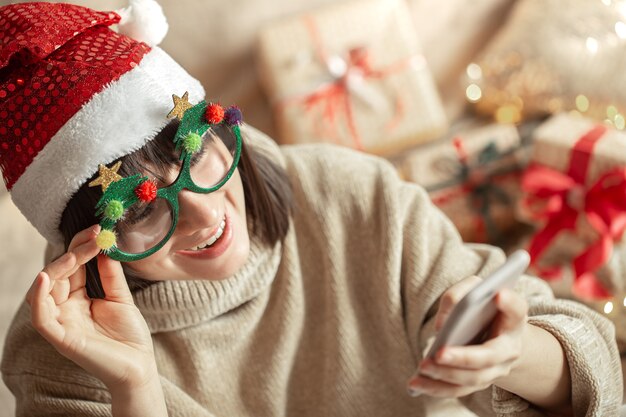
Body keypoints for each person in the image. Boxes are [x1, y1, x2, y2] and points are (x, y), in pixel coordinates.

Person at [0, 1, 622, 416]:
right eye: (138, 211)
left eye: (196, 150)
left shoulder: (349, 194)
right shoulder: (62, 352)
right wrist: (134, 387)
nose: (204, 213)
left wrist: (514, 353)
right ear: (87, 239)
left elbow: (600, 377)